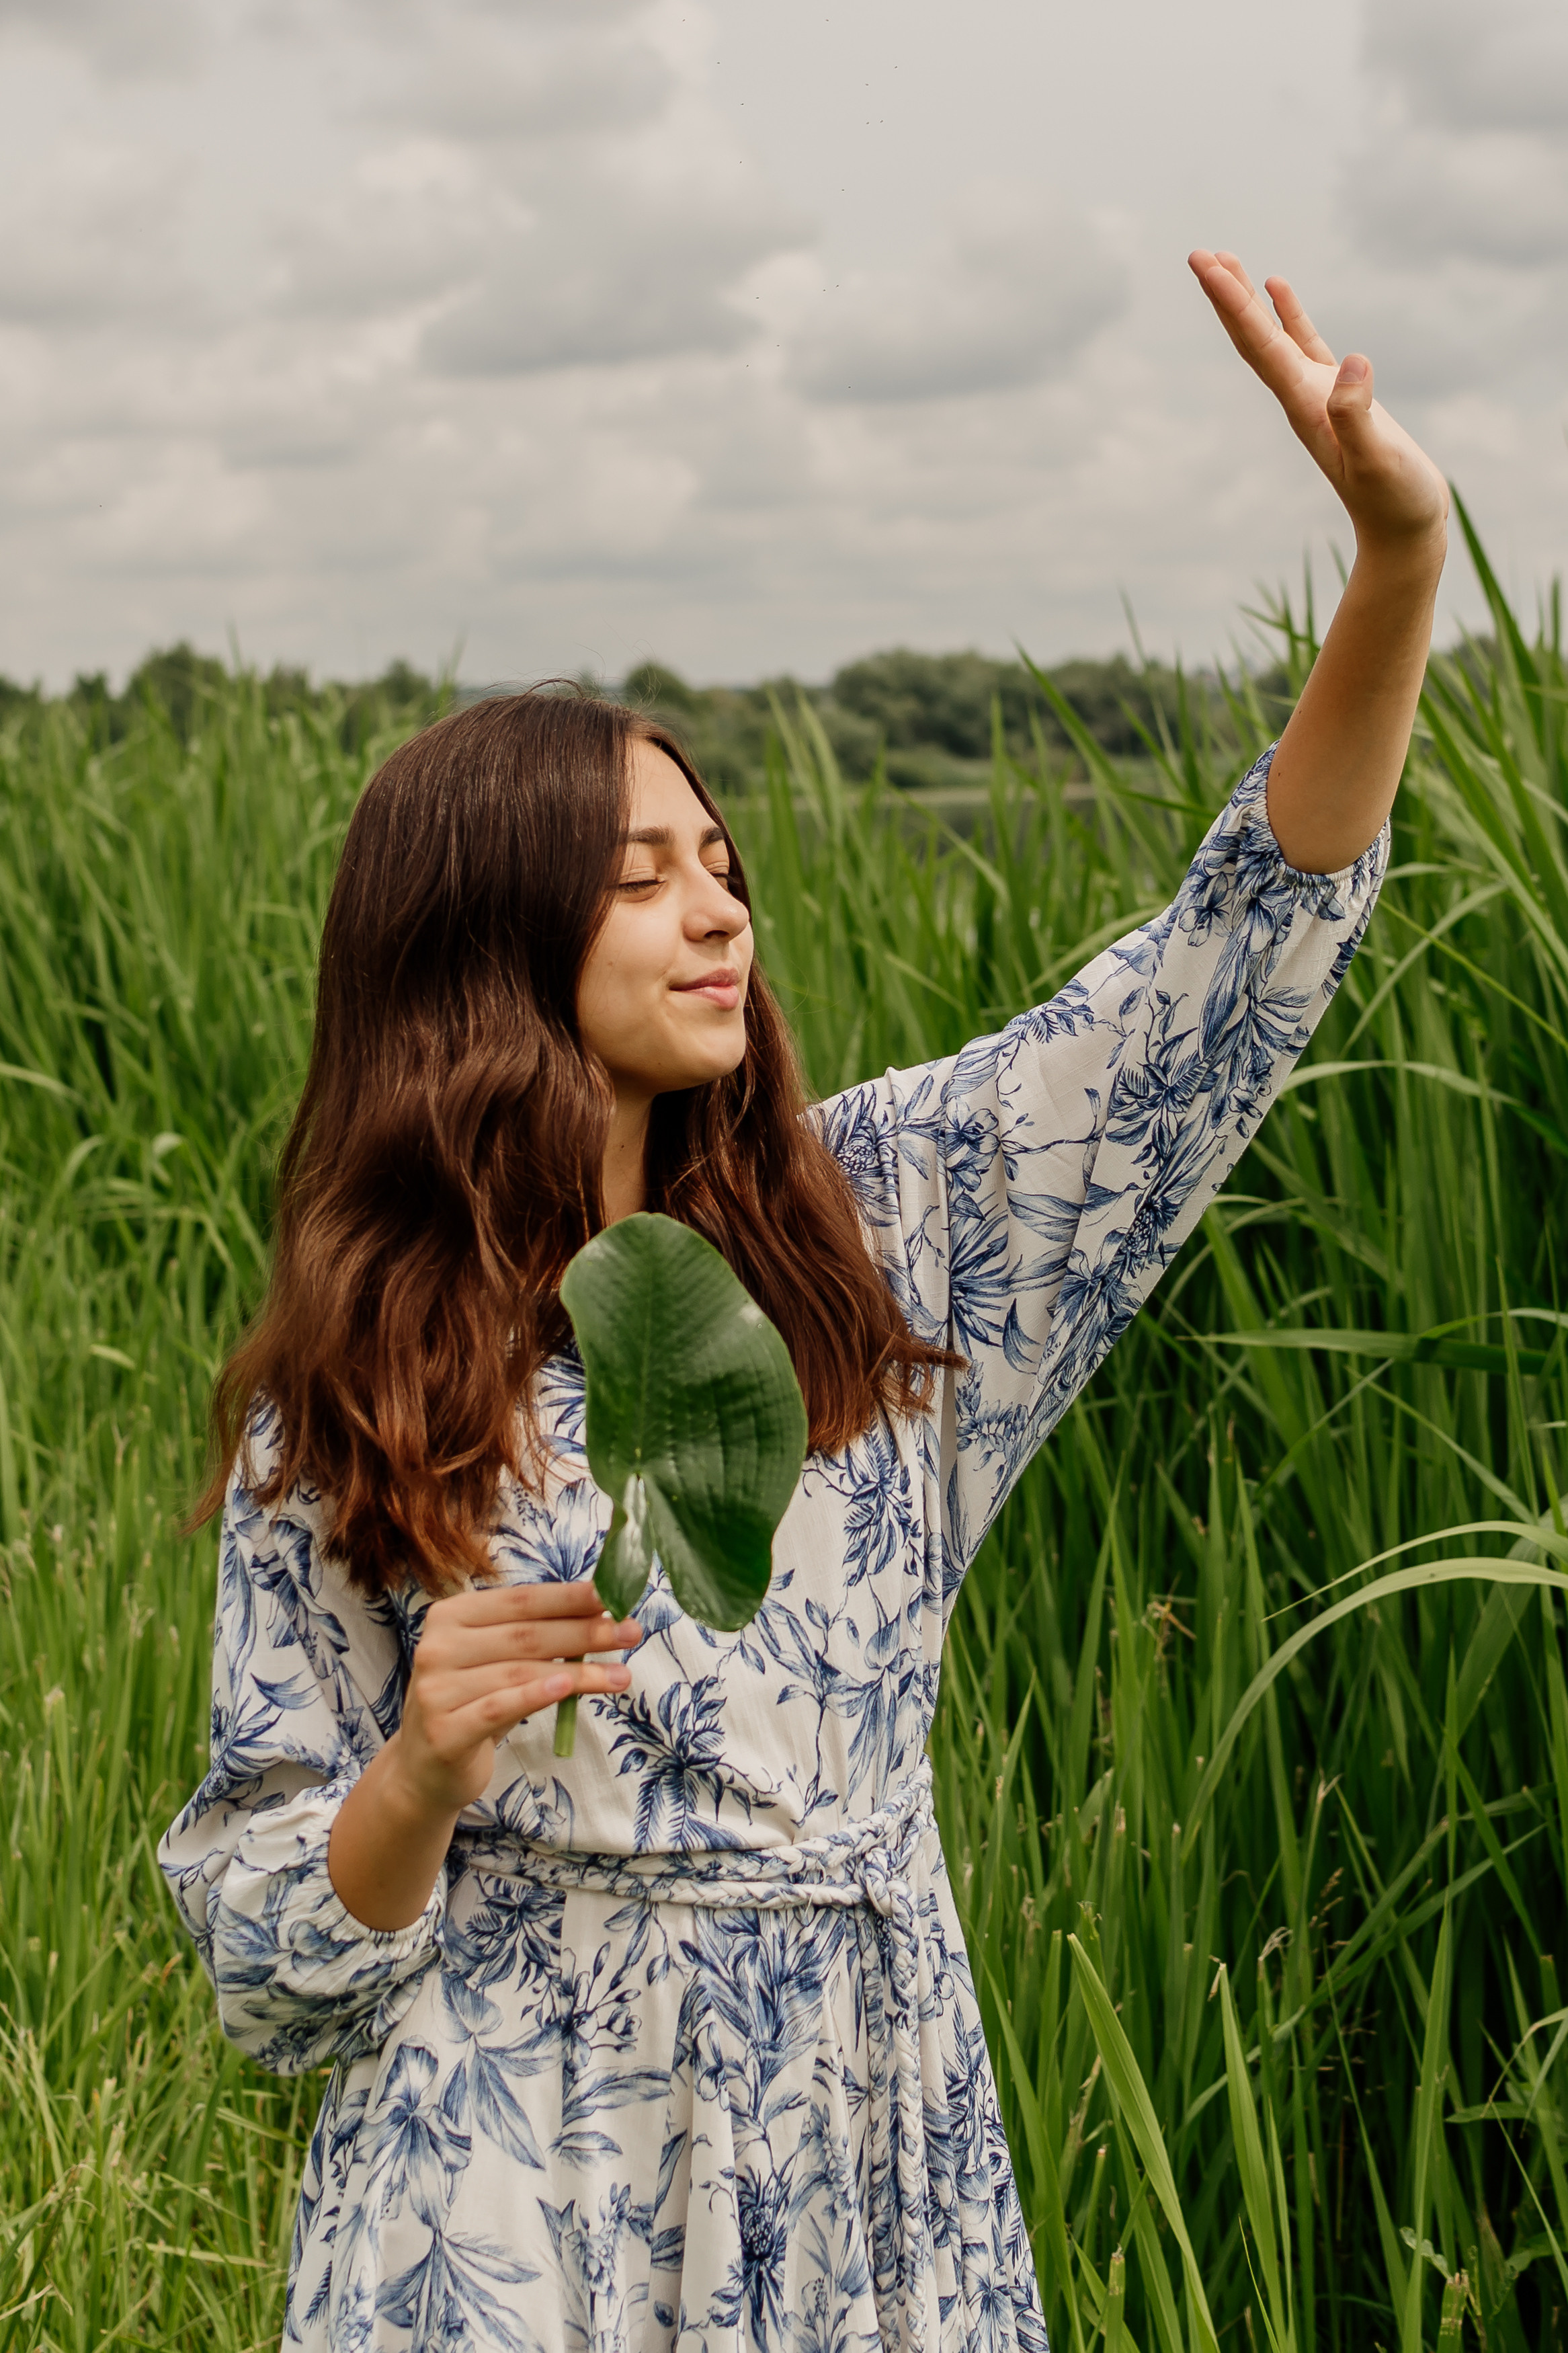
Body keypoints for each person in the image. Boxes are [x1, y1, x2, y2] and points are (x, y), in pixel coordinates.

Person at [159, 252, 1448, 2353]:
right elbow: (255, 1965)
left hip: (862, 2139)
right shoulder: (354, 1392)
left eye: (724, 854)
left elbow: (1225, 969)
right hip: (504, 2188)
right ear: (482, 937)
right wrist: (412, 1773)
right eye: (641, 869)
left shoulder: (889, 1229)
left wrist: (1397, 555)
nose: (719, 903)